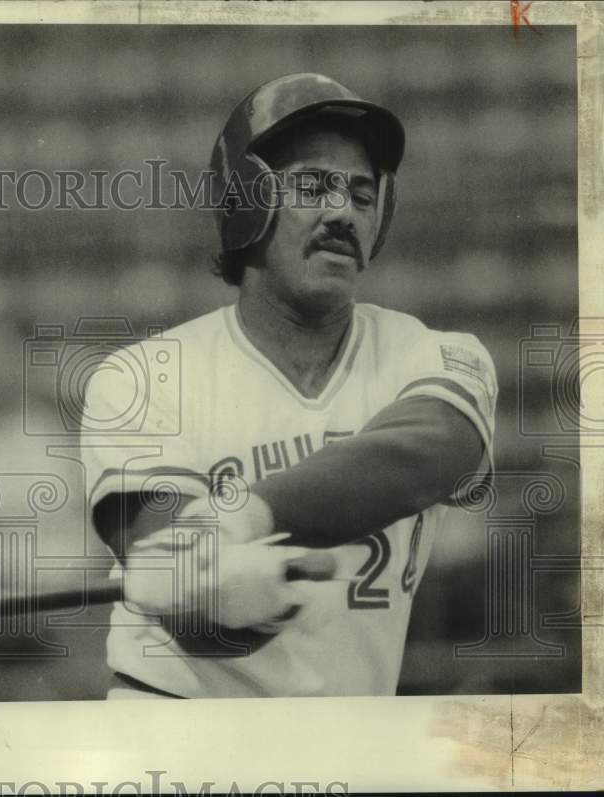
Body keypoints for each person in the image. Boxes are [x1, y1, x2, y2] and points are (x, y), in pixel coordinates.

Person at [79, 73, 498, 699]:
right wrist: (246, 601)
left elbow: (433, 447)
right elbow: (175, 587)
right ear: (247, 203)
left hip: (348, 747)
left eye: (361, 193)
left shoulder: (433, 352)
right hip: (173, 736)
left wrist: (239, 518)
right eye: (312, 186)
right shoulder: (140, 378)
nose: (341, 212)